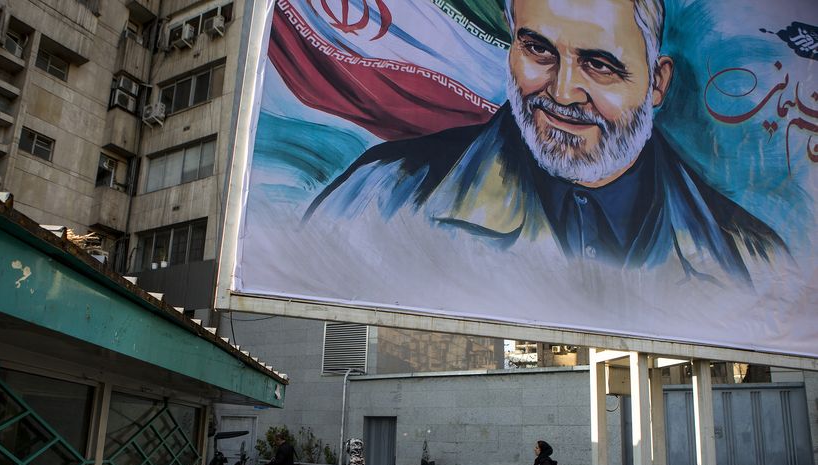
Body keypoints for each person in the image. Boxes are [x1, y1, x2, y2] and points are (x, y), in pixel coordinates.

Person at [303, 0, 788, 287]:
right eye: (538, 49)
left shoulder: (752, 258)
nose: (562, 92)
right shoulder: (380, 199)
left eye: (599, 64)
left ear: (657, 83)